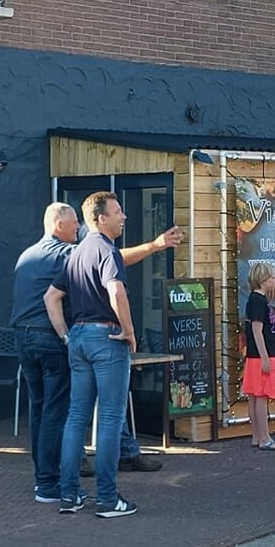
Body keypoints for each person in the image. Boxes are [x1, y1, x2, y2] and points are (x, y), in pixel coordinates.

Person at [11, 202, 182, 504]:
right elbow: (111, 264)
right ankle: (67, 486)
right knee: (74, 413)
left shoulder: (27, 255)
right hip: (56, 338)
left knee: (45, 411)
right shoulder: (68, 252)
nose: (77, 227)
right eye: (72, 222)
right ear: (57, 225)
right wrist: (155, 246)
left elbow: (51, 294)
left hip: (24, 338)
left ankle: (53, 483)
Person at [42, 192, 143, 518]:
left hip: (80, 336)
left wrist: (66, 335)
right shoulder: (107, 250)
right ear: (100, 218)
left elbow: (51, 297)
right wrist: (128, 330)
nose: (123, 217)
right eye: (117, 212)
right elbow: (116, 290)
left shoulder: (76, 252)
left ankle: (69, 495)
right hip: (106, 336)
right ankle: (107, 498)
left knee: (76, 418)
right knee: (111, 418)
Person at [242, 261, 275, 451]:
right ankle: (265, 438)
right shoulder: (258, 301)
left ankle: (256, 435)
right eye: (272, 277)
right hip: (263, 355)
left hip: (256, 355)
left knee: (254, 396)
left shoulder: (257, 300)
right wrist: (266, 357)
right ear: (262, 280)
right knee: (261, 396)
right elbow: (256, 329)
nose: (274, 280)